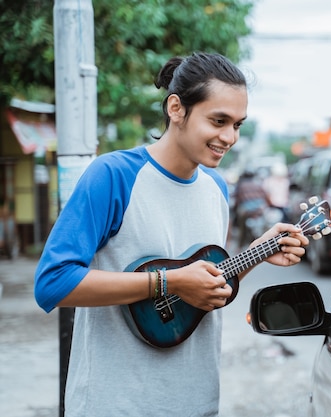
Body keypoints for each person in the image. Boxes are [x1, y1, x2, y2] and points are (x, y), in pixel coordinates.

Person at [33, 52, 308, 416]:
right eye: (218, 120)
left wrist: (257, 252)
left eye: (238, 125)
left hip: (196, 401)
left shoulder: (216, 188)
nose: (229, 137)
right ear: (176, 109)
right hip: (115, 404)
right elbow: (52, 283)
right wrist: (168, 282)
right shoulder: (114, 176)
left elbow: (199, 288)